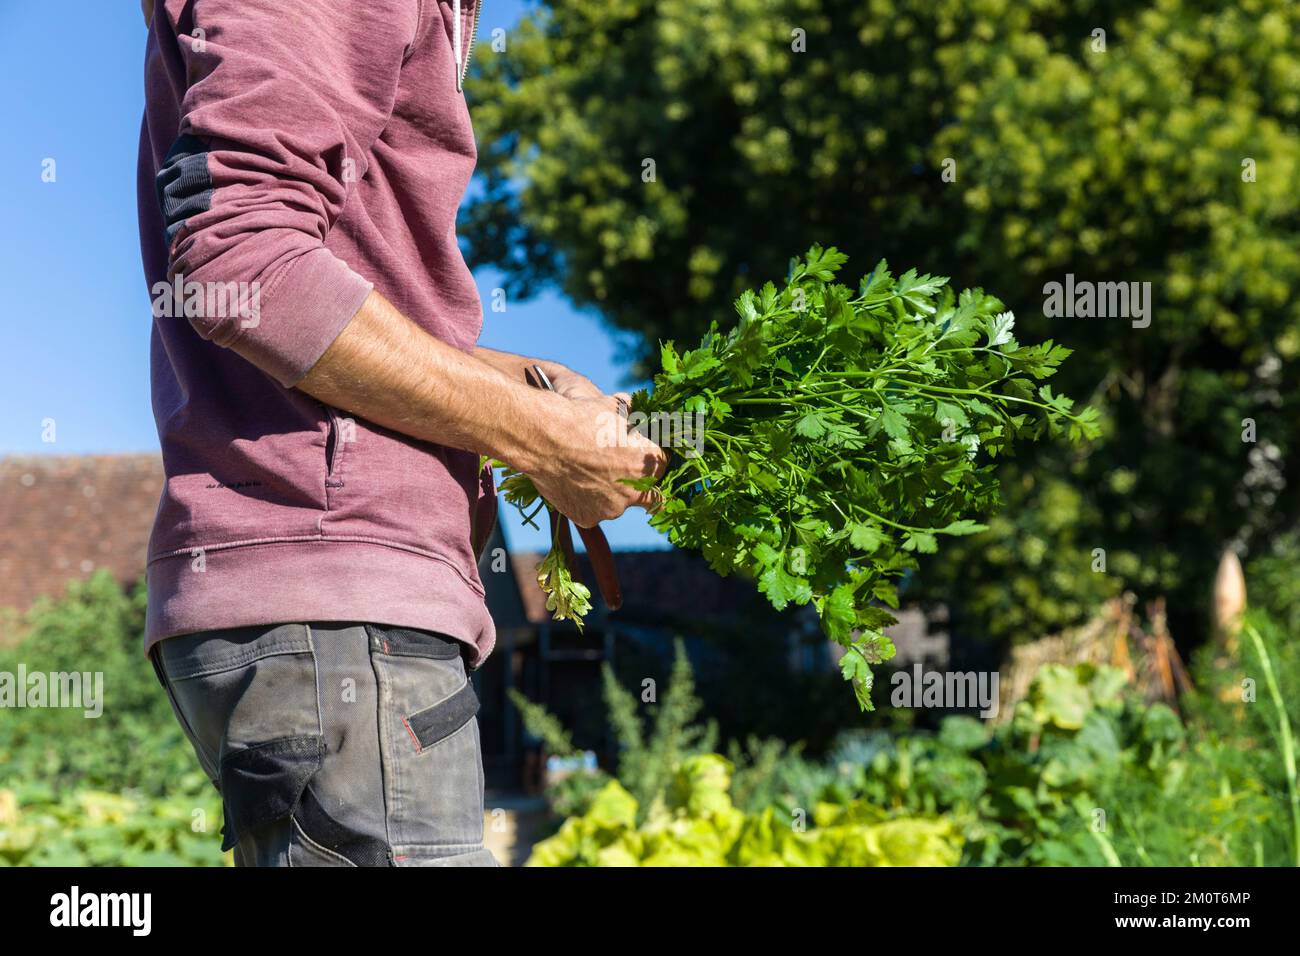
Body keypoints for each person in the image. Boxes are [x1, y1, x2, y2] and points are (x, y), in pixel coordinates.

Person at [137, 0, 665, 866]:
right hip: (337, 605)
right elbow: (244, 262)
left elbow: (324, 277)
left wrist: (530, 387)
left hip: (334, 614)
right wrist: (541, 437)